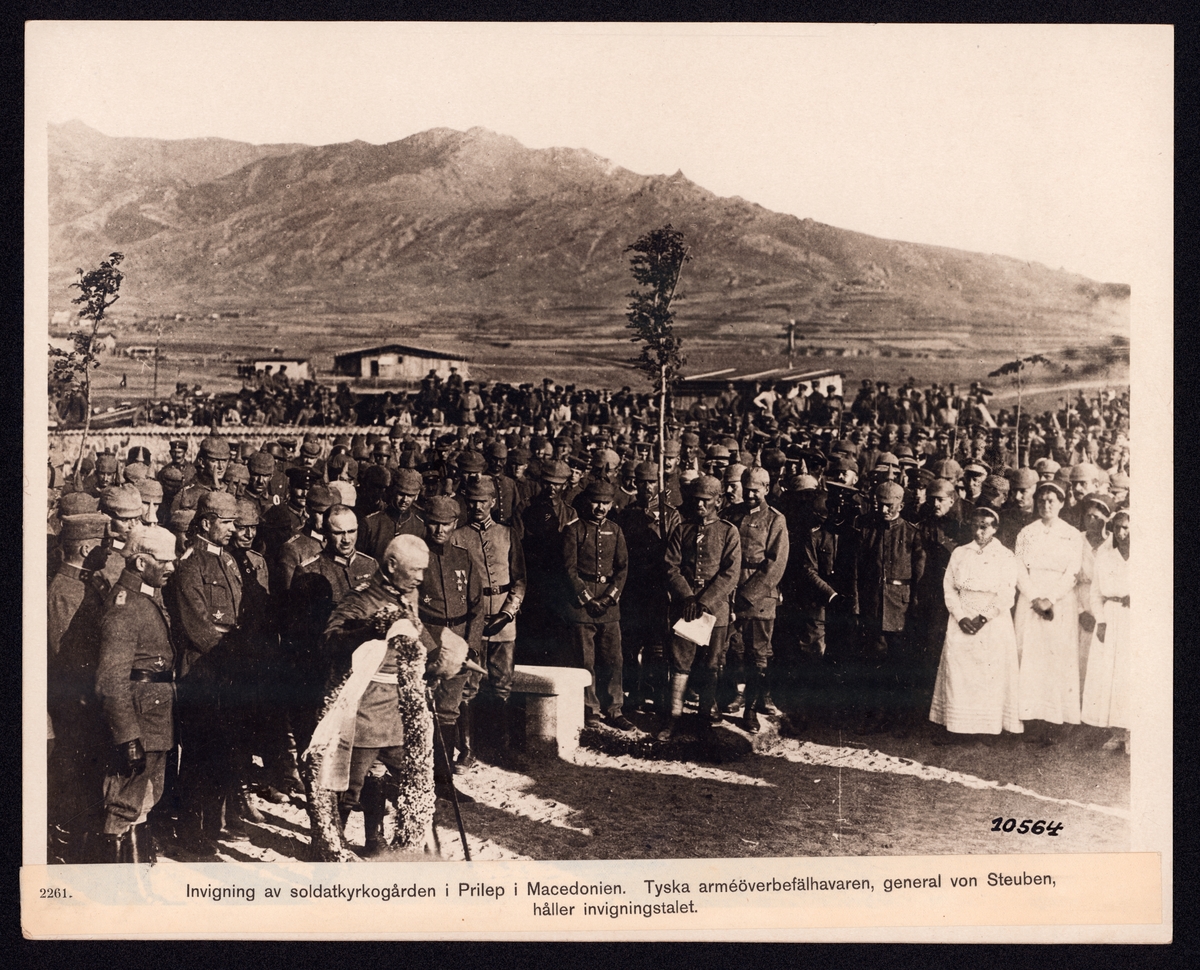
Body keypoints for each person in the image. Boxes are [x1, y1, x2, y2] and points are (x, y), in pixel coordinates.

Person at [306, 535, 468, 861]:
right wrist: (372, 628)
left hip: (402, 708)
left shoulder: (408, 593)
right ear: (392, 565)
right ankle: (328, 847)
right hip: (367, 708)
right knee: (348, 787)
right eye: (415, 570)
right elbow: (331, 641)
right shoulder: (362, 599)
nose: (421, 577)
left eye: (423, 570)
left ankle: (377, 838)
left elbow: (417, 634)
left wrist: (446, 657)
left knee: (412, 780)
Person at [94, 524, 178, 862]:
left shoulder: (147, 595)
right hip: (140, 723)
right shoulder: (124, 607)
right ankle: (117, 889)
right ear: (141, 563)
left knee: (144, 802)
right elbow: (110, 681)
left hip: (155, 718)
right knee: (123, 805)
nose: (172, 568)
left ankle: (138, 879)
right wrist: (128, 737)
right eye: (164, 561)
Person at [928, 507, 1022, 741]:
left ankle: (987, 729)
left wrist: (983, 618)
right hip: (962, 617)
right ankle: (957, 728)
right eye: (975, 526)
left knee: (989, 673)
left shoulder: (1005, 556)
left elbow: (1007, 593)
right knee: (960, 673)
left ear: (995, 528)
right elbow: (949, 586)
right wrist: (960, 616)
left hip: (992, 621)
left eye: (985, 526)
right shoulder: (960, 553)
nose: (979, 531)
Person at [660, 475, 741, 740]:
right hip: (686, 609)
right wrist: (687, 598)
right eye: (696, 500)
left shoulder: (729, 532)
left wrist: (705, 601)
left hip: (714, 612)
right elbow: (670, 566)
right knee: (680, 662)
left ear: (718, 501)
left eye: (706, 501)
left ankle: (704, 719)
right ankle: (673, 718)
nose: (700, 506)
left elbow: (730, 574)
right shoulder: (681, 530)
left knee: (711, 665)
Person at [450, 478, 527, 756]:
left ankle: (501, 747)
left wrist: (507, 613)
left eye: (483, 501)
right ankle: (467, 750)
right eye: (472, 501)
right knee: (469, 685)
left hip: (504, 622)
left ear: (493, 502)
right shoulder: (457, 537)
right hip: (472, 621)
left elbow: (520, 580)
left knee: (502, 684)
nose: (478, 506)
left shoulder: (508, 534)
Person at [1013, 481, 1086, 743]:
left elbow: (1072, 572)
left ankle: (1054, 722)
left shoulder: (1072, 534)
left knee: (1055, 658)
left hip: (1060, 601)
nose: (1046, 505)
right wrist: (1034, 597)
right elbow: (1019, 568)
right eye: (1041, 500)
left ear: (1061, 503)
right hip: (1031, 601)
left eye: (1051, 500)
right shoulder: (1026, 533)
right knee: (1031, 657)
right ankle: (1029, 718)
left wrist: (1050, 598)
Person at [721, 466, 789, 733]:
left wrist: (747, 595)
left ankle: (750, 709)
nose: (749, 494)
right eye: (746, 489)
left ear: (767, 488)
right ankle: (730, 696)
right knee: (729, 649)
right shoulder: (731, 514)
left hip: (759, 597)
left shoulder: (775, 520)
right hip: (729, 589)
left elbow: (775, 564)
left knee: (756, 655)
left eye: (755, 490)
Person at [561, 481, 632, 730]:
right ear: (587, 502)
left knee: (614, 659)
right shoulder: (574, 530)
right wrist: (587, 598)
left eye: (605, 503)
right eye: (596, 502)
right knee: (585, 660)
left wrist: (609, 597)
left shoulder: (616, 530)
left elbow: (622, 569)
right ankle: (589, 709)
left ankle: (615, 708)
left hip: (609, 607)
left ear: (612, 504)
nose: (600, 507)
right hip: (581, 607)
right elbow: (568, 570)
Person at [1081, 509, 1130, 753]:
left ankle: (1133, 731)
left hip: (1136, 619)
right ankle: (1117, 732)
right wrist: (1100, 621)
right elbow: (1095, 594)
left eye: (1127, 528)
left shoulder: (1149, 557)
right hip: (1111, 617)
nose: (1122, 533)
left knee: (1131, 672)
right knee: (1110, 672)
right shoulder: (1105, 558)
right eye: (1118, 528)